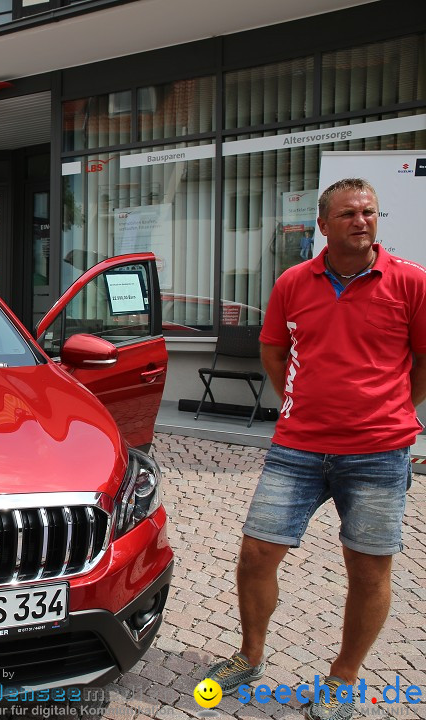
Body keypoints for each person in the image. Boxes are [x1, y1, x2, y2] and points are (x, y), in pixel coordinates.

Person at [202, 178, 426, 720]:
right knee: (256, 554)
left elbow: (423, 362)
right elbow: (274, 351)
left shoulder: (412, 283)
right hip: (298, 446)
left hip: (378, 451)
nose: (361, 220)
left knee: (369, 569)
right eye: (348, 213)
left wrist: (392, 408)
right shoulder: (293, 282)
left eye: (369, 211)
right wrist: (302, 405)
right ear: (323, 225)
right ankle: (250, 655)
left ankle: (342, 678)